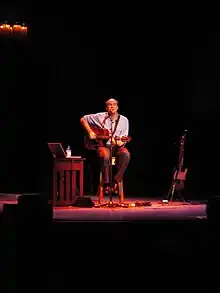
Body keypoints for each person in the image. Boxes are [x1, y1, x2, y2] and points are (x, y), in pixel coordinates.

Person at [80, 97, 131, 194]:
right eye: (109, 105)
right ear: (106, 108)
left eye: (114, 104)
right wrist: (90, 131)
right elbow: (83, 119)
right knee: (104, 155)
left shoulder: (124, 120)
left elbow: (123, 140)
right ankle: (107, 183)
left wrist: (117, 142)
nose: (112, 106)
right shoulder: (100, 116)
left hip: (117, 146)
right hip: (103, 145)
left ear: (117, 107)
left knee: (126, 154)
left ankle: (115, 181)